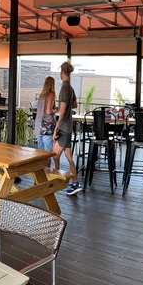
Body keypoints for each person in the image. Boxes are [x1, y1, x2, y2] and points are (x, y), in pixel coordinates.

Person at [52, 61, 82, 196]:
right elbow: (74, 105)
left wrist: (55, 128)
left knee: (54, 155)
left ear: (62, 73)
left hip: (64, 127)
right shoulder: (71, 88)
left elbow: (63, 111)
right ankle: (75, 183)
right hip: (69, 126)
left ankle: (55, 181)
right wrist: (64, 106)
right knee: (69, 157)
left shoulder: (64, 89)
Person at [34, 77, 57, 164]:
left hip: (38, 125)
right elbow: (48, 111)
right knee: (47, 153)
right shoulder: (51, 94)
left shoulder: (41, 95)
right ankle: (46, 174)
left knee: (40, 151)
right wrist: (55, 110)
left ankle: (41, 173)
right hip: (47, 126)